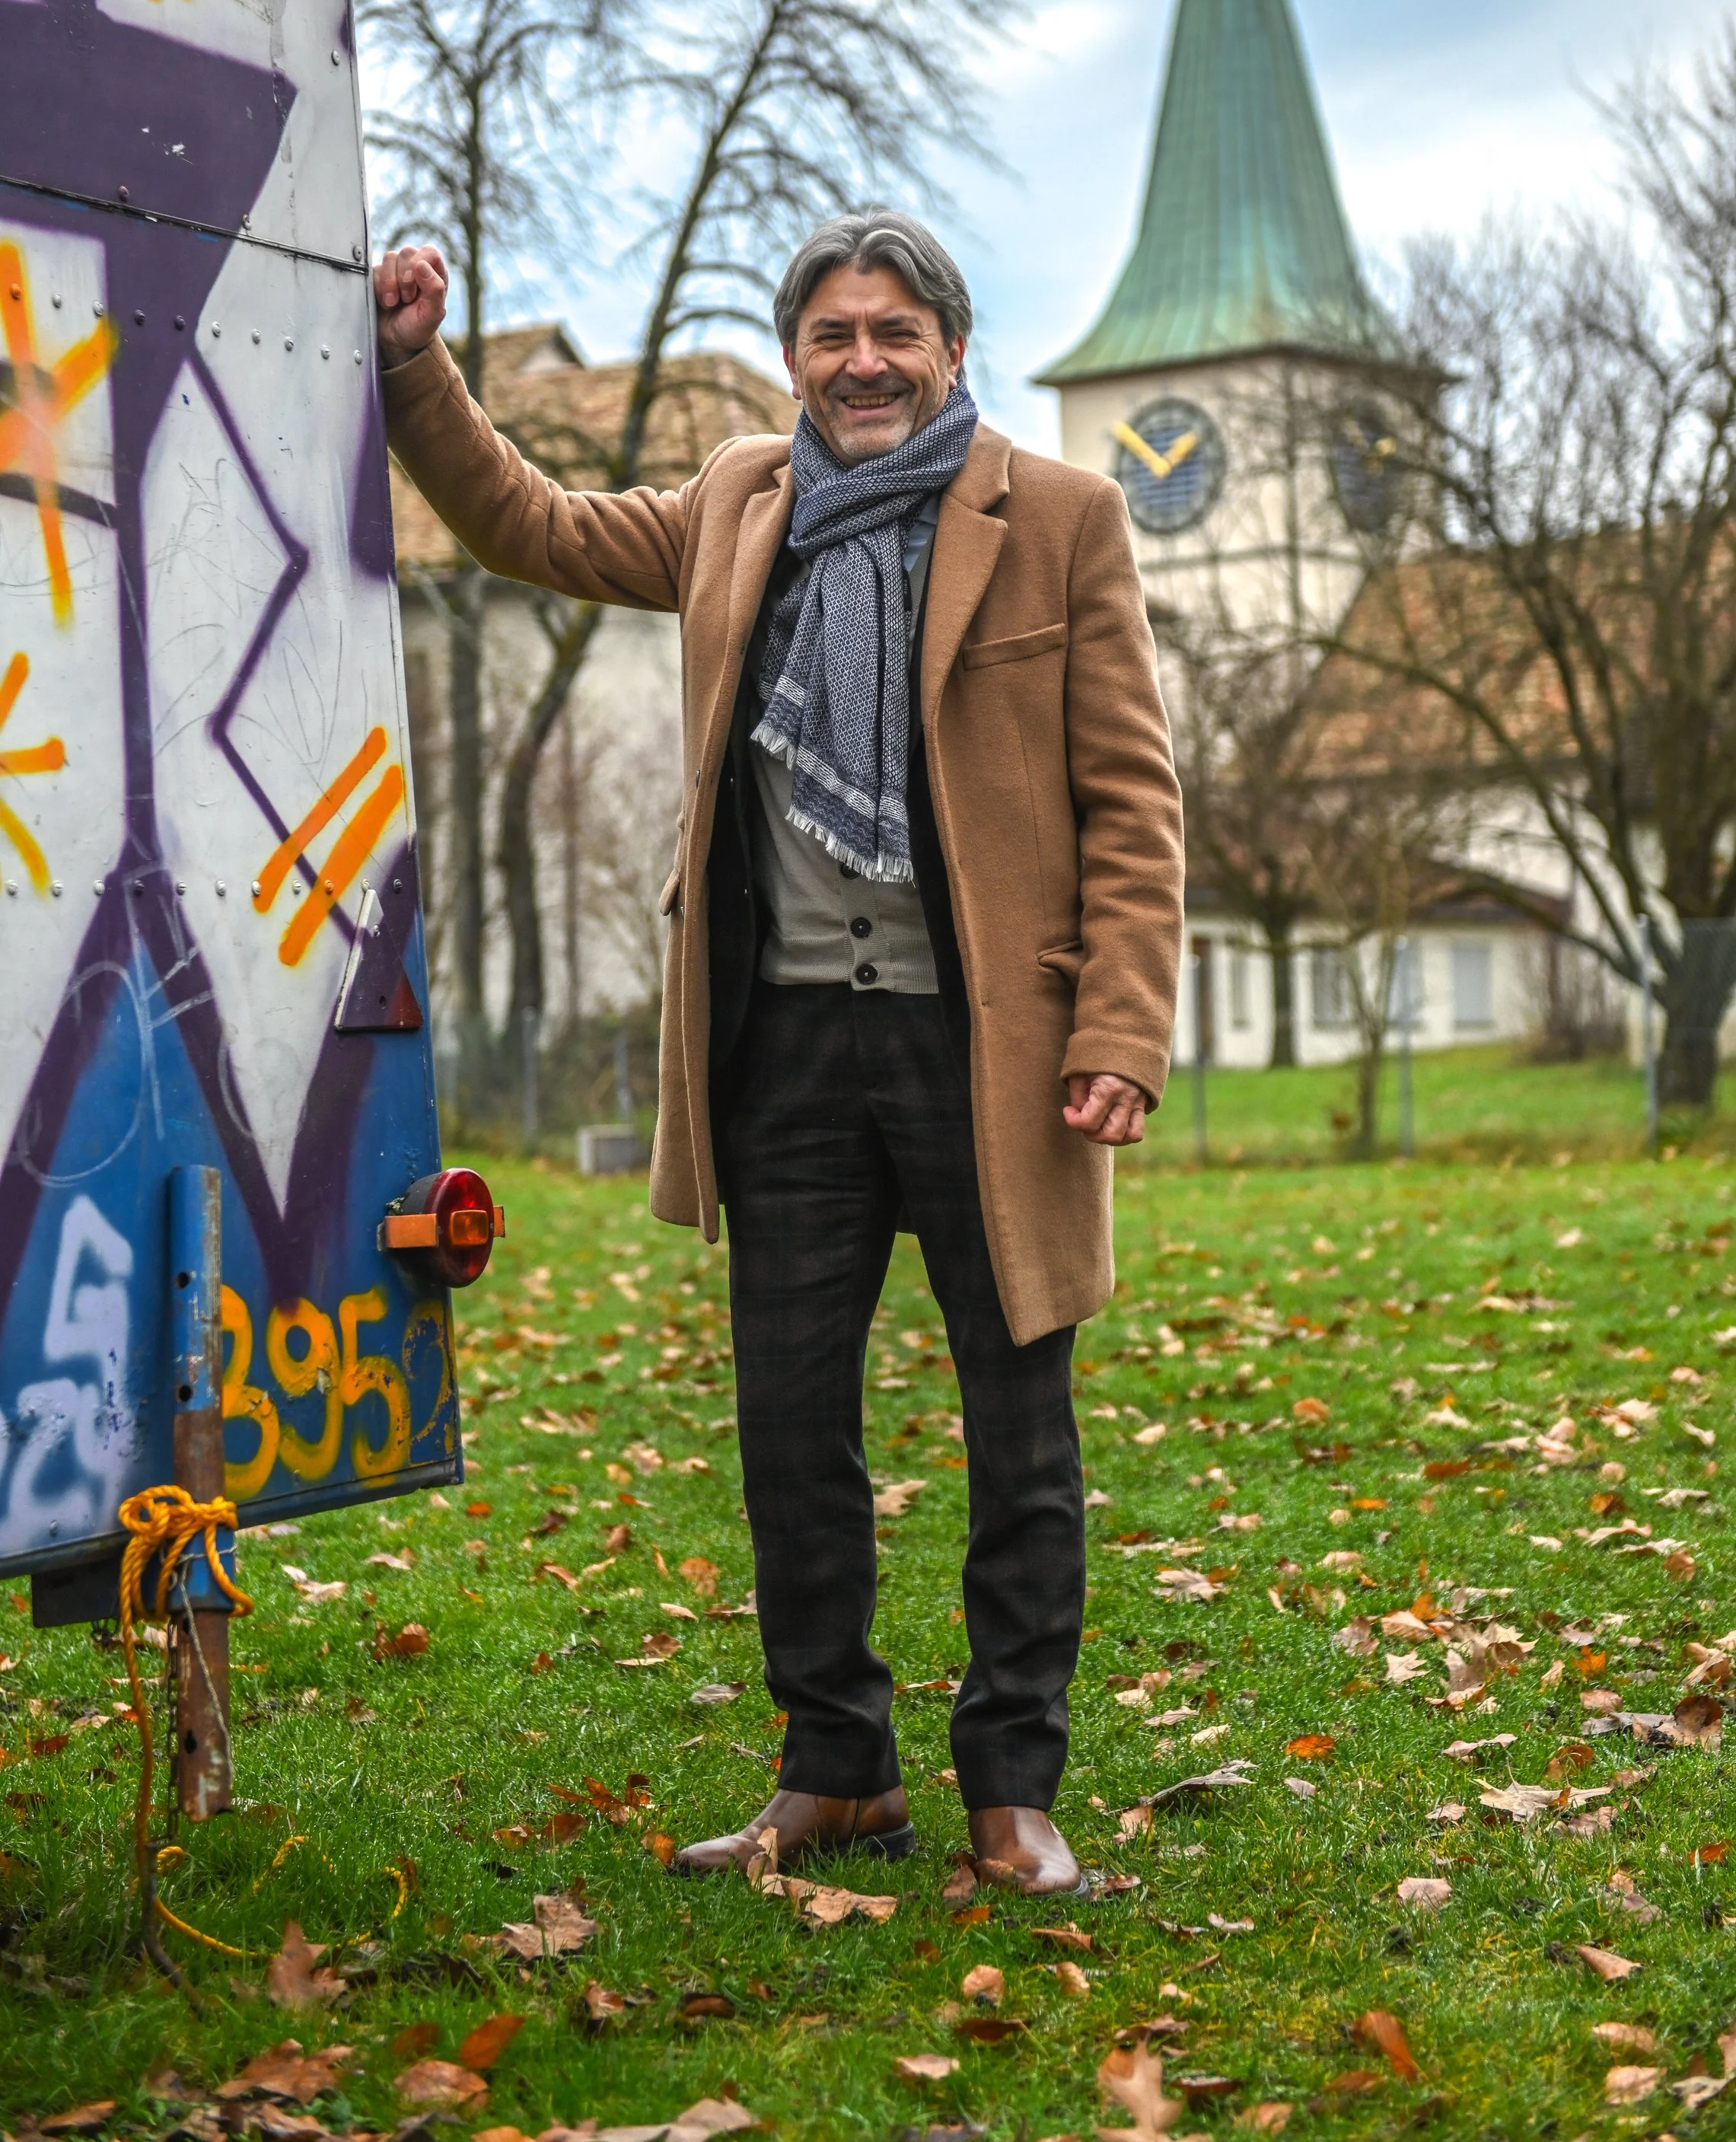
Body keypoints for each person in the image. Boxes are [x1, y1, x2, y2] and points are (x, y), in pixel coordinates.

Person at [374, 209, 1183, 1895]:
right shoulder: (738, 503)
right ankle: (835, 1771)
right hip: (785, 1047)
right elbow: (526, 520)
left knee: (1016, 1425)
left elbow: (1130, 798)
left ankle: (1010, 1797)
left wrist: (1119, 1023)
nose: (864, 361)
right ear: (798, 355)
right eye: (832, 334)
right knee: (786, 1429)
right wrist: (414, 367)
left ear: (950, 349)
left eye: (896, 331)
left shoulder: (1057, 519)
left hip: (990, 1050)